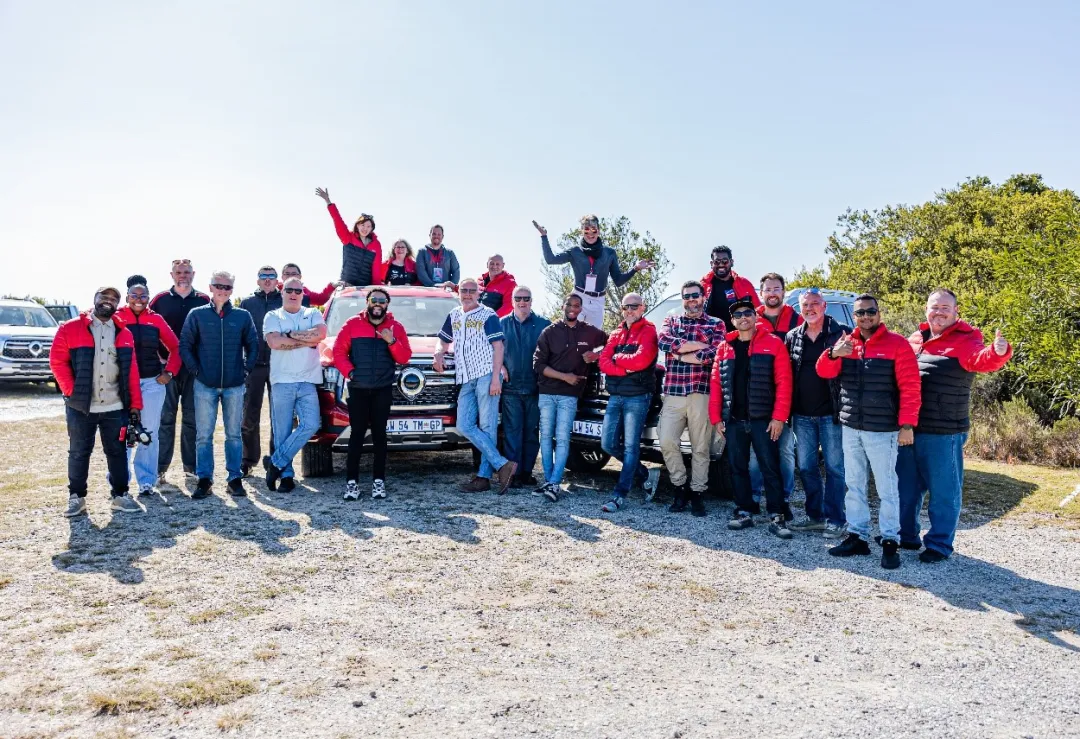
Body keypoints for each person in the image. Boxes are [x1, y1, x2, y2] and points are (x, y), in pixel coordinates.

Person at [899, 289, 1012, 562]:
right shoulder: (916, 339)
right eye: (934, 307)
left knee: (944, 491)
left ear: (956, 311)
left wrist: (999, 352)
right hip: (909, 428)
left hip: (944, 431)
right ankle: (907, 536)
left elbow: (982, 359)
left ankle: (938, 545)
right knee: (906, 488)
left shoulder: (966, 339)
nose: (939, 312)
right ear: (926, 309)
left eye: (945, 308)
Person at [816, 294, 921, 570]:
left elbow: (911, 387)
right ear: (855, 316)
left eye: (870, 311)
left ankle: (890, 542)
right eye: (860, 313)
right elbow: (823, 371)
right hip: (851, 427)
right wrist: (832, 353)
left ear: (879, 313)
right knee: (854, 485)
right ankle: (858, 537)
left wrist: (907, 425)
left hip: (883, 431)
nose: (865, 317)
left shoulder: (897, 344)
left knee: (887, 489)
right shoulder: (846, 343)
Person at [51, 287, 144, 516]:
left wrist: (135, 404)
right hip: (81, 407)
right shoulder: (70, 328)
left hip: (115, 406)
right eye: (104, 297)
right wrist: (72, 392)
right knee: (79, 452)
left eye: (114, 299)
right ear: (94, 300)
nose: (108, 301)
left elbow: (131, 371)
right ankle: (77, 498)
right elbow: (57, 361)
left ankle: (121, 495)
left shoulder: (124, 333)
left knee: (117, 452)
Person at [710, 298, 794, 538]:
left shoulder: (773, 343)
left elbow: (784, 383)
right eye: (738, 315)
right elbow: (716, 384)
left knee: (770, 467)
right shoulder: (724, 347)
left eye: (748, 313)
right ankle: (744, 511)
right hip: (734, 420)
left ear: (755, 316)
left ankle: (777, 515)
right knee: (737, 467)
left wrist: (779, 418)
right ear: (733, 321)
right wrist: (716, 417)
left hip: (764, 420)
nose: (743, 317)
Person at [179, 271, 260, 499]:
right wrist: (197, 370)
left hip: (234, 385)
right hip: (205, 384)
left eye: (227, 287)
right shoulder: (197, 315)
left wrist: (245, 370)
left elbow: (253, 345)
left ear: (232, 290)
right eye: (218, 286)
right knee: (204, 434)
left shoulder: (242, 316)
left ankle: (234, 478)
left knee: (234, 434)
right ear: (211, 287)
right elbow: (185, 345)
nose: (222, 290)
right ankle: (205, 479)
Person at [434, 278, 516, 493]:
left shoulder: (488, 314)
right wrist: (439, 351)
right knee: (464, 425)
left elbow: (498, 347)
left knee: (488, 427)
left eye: (472, 291)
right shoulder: (454, 315)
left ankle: (483, 477)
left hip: (486, 374)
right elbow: (442, 339)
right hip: (465, 378)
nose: (468, 294)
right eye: (464, 290)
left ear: (479, 293)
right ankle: (502, 464)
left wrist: (496, 378)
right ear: (458, 292)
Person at [332, 287, 413, 500]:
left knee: (379, 436)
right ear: (367, 302)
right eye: (374, 299)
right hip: (358, 389)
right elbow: (338, 352)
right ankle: (352, 483)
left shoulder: (396, 327)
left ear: (387, 304)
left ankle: (379, 482)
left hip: (382, 390)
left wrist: (391, 341)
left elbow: (405, 357)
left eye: (382, 301)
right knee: (356, 435)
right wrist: (350, 372)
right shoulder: (352, 324)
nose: (378, 304)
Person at [655, 280, 726, 514]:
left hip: (701, 392)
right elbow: (663, 341)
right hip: (673, 392)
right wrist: (694, 345)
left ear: (703, 297)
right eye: (686, 296)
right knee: (666, 440)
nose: (691, 299)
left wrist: (679, 354)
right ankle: (679, 487)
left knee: (700, 447)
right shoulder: (671, 320)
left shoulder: (716, 324)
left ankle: (697, 493)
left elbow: (714, 353)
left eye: (695, 295)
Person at [784, 288, 850, 539]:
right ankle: (815, 517)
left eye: (814, 304)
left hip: (831, 414)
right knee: (808, 467)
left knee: (835, 468)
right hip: (802, 414)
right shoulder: (793, 336)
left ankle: (836, 519)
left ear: (824, 306)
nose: (809, 309)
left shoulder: (839, 332)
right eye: (804, 305)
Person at [532, 294, 608, 502]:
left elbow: (614, 342)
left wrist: (597, 355)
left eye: (577, 305)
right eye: (570, 305)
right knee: (545, 437)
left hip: (569, 396)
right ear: (563, 306)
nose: (573, 308)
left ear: (581, 308)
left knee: (563, 438)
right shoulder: (549, 332)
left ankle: (555, 483)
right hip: (547, 392)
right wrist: (564, 376)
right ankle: (550, 481)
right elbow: (538, 365)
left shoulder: (590, 332)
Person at [262, 278, 328, 493]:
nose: (293, 293)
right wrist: (305, 340)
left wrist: (288, 336)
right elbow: (274, 342)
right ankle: (287, 476)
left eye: (297, 291)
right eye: (289, 290)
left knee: (311, 424)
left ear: (302, 293)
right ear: (282, 292)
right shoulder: (273, 316)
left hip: (308, 380)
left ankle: (276, 462)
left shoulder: (313, 314)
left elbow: (320, 335)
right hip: (282, 381)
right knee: (281, 431)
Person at [116, 282, 181, 497]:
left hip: (152, 382)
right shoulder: (117, 318)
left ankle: (146, 481)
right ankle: (119, 480)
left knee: (149, 431)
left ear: (148, 298)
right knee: (123, 432)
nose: (138, 299)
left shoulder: (155, 319)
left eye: (143, 296)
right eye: (134, 295)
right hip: (122, 384)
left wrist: (169, 372)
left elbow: (176, 347)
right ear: (127, 297)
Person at [598, 292, 660, 512]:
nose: (630, 310)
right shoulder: (616, 333)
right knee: (607, 444)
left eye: (634, 306)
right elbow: (603, 362)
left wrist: (617, 360)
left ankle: (619, 495)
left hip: (638, 396)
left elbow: (642, 360)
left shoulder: (649, 331)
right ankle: (644, 474)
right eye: (626, 307)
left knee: (631, 446)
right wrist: (625, 368)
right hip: (616, 396)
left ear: (643, 307)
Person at [534, 216, 654, 328]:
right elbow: (551, 260)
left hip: (598, 301)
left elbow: (618, 280)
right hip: (578, 297)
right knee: (571, 334)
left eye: (594, 230)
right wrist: (544, 236)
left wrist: (636, 268)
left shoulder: (609, 253)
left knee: (593, 342)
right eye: (586, 231)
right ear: (581, 231)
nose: (590, 234)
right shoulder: (575, 251)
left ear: (599, 231)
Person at [149, 259, 209, 480]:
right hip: (167, 369)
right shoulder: (160, 300)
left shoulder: (204, 300)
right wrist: (157, 357)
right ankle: (160, 469)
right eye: (178, 272)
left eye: (186, 272)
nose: (183, 275)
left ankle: (190, 468)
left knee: (192, 419)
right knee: (165, 419)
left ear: (193, 274)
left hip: (194, 370)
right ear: (171, 275)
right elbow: (149, 327)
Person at [240, 266, 301, 476]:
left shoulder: (283, 301)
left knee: (281, 417)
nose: (267, 280)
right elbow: (242, 333)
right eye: (263, 277)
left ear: (278, 281)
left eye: (271, 277)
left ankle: (277, 460)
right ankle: (248, 460)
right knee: (249, 415)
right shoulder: (247, 303)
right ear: (257, 280)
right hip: (254, 365)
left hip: (280, 365)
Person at [748, 272, 801, 507]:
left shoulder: (796, 320)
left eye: (776, 289)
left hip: (788, 394)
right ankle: (754, 495)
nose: (772, 293)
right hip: (757, 395)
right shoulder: (751, 320)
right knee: (756, 452)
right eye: (767, 289)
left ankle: (785, 496)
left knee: (786, 450)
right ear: (761, 294)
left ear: (784, 292)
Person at [499, 285, 550, 488]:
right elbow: (491, 350)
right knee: (512, 432)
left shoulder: (544, 325)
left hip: (535, 388)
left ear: (531, 301)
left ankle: (526, 473)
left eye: (526, 298)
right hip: (510, 388)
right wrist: (500, 367)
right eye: (518, 298)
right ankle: (513, 473)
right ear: (512, 300)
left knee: (531, 432)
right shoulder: (500, 324)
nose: (522, 302)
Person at [315, 187, 386, 287]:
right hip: (347, 285)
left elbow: (377, 268)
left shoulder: (376, 245)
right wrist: (328, 201)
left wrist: (376, 287)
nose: (365, 228)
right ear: (357, 225)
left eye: (368, 226)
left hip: (365, 287)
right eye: (363, 225)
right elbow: (338, 220)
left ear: (371, 229)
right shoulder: (348, 238)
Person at [701, 245, 760, 331]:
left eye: (725, 261)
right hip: (713, 335)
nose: (721, 265)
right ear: (711, 264)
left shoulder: (745, 284)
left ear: (731, 262)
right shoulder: (703, 286)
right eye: (717, 262)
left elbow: (758, 310)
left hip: (741, 335)